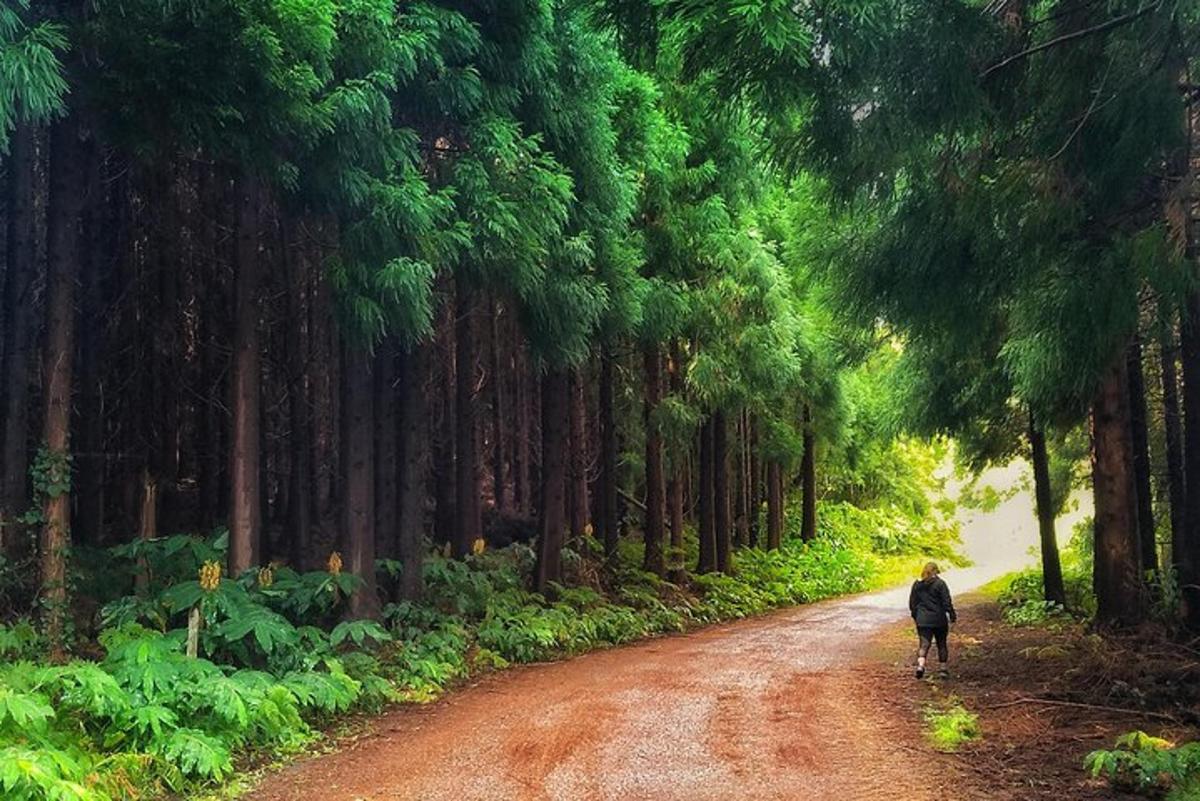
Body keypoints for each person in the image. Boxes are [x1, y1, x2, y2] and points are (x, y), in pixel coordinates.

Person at [909, 562, 956, 679]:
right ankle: (943, 669)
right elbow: (946, 602)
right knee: (941, 644)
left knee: (924, 645)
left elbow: (912, 603)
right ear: (936, 571)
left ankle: (920, 666)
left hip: (923, 619)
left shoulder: (917, 585)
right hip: (939, 619)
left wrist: (916, 616)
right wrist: (951, 614)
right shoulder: (940, 584)